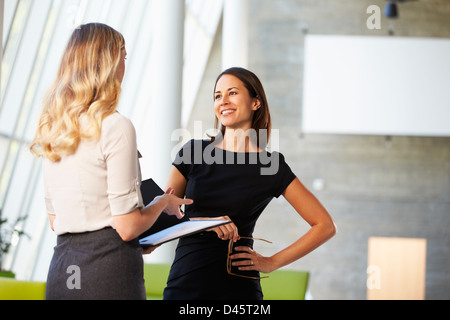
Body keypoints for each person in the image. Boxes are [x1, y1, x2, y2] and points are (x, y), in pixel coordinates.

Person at [30, 23, 192, 300]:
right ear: (109, 62)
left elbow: (56, 220)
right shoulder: (115, 125)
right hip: (108, 271)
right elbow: (127, 227)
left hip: (63, 268)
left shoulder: (55, 128)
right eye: (124, 56)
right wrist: (161, 203)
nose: (124, 66)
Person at [162, 67, 336, 300]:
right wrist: (203, 223)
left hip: (239, 290)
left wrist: (272, 262)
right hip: (185, 283)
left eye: (232, 93)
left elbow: (324, 225)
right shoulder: (192, 151)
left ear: (256, 103)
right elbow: (162, 218)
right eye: (217, 95)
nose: (223, 101)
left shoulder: (270, 165)